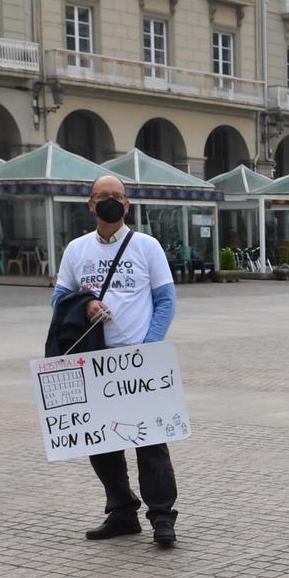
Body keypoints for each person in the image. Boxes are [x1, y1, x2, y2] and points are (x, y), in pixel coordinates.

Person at [51, 173, 180, 547]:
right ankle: (122, 511)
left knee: (150, 442)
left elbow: (165, 300)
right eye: (102, 196)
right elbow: (59, 299)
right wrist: (86, 302)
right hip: (94, 362)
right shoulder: (77, 250)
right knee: (101, 442)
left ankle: (162, 517)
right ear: (90, 204)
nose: (110, 202)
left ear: (127, 204)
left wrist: (150, 346)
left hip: (137, 361)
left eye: (117, 196)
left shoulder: (146, 246)